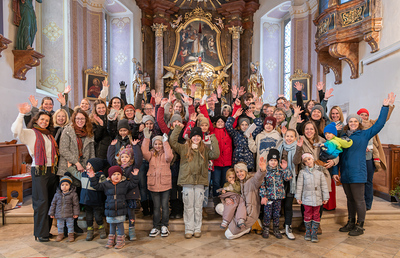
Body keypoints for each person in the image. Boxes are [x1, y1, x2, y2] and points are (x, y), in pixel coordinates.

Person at [333, 93, 395, 236]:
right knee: (349, 199)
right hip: (346, 173)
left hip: (358, 173)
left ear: (359, 122)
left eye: (356, 121)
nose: (353, 123)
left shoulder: (364, 134)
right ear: (347, 123)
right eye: (351, 121)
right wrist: (336, 171)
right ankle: (350, 222)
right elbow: (336, 154)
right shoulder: (342, 137)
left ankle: (360, 225)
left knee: (359, 200)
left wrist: (385, 107)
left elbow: (380, 123)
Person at [11, 103, 58, 242]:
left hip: (52, 170)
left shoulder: (49, 135)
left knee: (49, 201)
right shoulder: (31, 133)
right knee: (41, 201)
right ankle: (40, 233)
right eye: (42, 119)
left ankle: (46, 230)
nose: (44, 122)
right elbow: (15, 131)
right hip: (39, 170)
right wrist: (21, 114)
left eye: (47, 120)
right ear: (36, 120)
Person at [169, 124, 220, 239]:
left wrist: (213, 138)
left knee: (198, 206)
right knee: (188, 206)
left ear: (201, 137)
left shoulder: (205, 150)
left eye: (198, 136)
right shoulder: (183, 148)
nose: (196, 138)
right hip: (187, 181)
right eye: (194, 136)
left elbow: (216, 154)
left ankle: (197, 229)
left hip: (200, 182)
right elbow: (172, 141)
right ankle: (189, 229)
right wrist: (177, 129)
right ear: (190, 137)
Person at [215, 157, 268, 240]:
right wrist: (226, 199)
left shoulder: (251, 181)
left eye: (241, 171)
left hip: (249, 214)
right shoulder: (238, 183)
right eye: (237, 172)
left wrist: (262, 170)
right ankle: (235, 225)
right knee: (219, 207)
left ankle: (248, 228)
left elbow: (258, 178)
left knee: (228, 235)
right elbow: (230, 193)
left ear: (245, 171)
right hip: (239, 212)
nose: (239, 174)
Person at [89, 166, 139, 249]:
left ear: (121, 175)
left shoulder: (124, 183)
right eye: (114, 174)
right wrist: (92, 177)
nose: (116, 176)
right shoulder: (106, 184)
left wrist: (135, 176)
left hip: (121, 208)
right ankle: (111, 240)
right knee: (112, 225)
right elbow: (96, 186)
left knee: (120, 225)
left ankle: (121, 240)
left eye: (118, 174)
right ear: (110, 176)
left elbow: (133, 184)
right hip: (110, 208)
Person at [66, 158, 107, 241]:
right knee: (88, 217)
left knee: (98, 217)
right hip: (86, 201)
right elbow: (75, 173)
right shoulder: (84, 174)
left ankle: (102, 230)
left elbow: (103, 186)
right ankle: (90, 231)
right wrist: (70, 167)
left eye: (89, 164)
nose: (86, 166)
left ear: (95, 167)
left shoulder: (100, 176)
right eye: (87, 164)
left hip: (96, 201)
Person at [107, 141, 142, 241]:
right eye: (122, 157)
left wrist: (135, 146)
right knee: (120, 213)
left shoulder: (133, 167)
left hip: (130, 195)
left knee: (130, 213)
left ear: (130, 158)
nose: (124, 159)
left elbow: (139, 159)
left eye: (127, 157)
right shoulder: (117, 169)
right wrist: (112, 146)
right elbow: (110, 159)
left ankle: (131, 231)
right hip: (120, 196)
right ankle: (120, 232)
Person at [142, 131, 173, 237]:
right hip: (153, 184)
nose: (158, 146)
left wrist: (165, 142)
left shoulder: (166, 154)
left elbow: (170, 156)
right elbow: (144, 152)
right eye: (156, 144)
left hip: (165, 184)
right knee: (156, 207)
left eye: (160, 143)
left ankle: (165, 225)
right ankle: (155, 226)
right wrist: (146, 139)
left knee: (164, 206)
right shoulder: (150, 155)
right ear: (153, 145)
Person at [296, 153, 329, 243]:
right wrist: (298, 197)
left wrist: (325, 197)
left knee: (316, 215)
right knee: (307, 214)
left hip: (317, 198)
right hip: (306, 198)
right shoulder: (302, 172)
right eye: (305, 161)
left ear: (313, 159)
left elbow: (324, 185)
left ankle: (314, 232)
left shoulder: (319, 172)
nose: (308, 162)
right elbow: (299, 186)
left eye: (309, 159)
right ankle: (308, 231)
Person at [260, 149, 292, 239]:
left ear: (277, 161)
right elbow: (262, 185)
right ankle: (266, 228)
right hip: (268, 197)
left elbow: (288, 178)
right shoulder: (265, 172)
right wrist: (264, 196)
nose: (273, 162)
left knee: (276, 214)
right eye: (271, 160)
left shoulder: (280, 171)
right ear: (268, 161)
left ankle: (276, 229)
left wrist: (285, 169)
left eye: (275, 160)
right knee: (267, 213)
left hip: (278, 197)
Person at [278, 128, 303, 240]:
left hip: (292, 180)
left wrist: (299, 148)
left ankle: (288, 227)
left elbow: (296, 161)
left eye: (291, 136)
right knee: (280, 205)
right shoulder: (281, 146)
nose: (289, 138)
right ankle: (280, 226)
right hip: (280, 179)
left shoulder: (297, 148)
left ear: (295, 138)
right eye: (287, 136)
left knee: (288, 205)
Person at [58, 108, 95, 175]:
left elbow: (92, 151)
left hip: (84, 169)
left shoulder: (89, 131)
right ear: (74, 119)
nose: (80, 121)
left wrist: (91, 166)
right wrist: (76, 163)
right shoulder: (68, 130)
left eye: (82, 119)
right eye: (77, 118)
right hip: (68, 167)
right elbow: (63, 150)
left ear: (86, 119)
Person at [48, 176, 80, 242]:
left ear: (70, 186)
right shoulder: (57, 194)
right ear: (60, 186)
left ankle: (71, 235)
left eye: (66, 185)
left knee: (70, 225)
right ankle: (60, 235)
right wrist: (51, 213)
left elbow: (76, 205)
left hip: (69, 214)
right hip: (59, 214)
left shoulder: (73, 194)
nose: (64, 186)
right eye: (62, 185)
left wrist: (76, 213)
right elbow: (53, 204)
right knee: (60, 226)